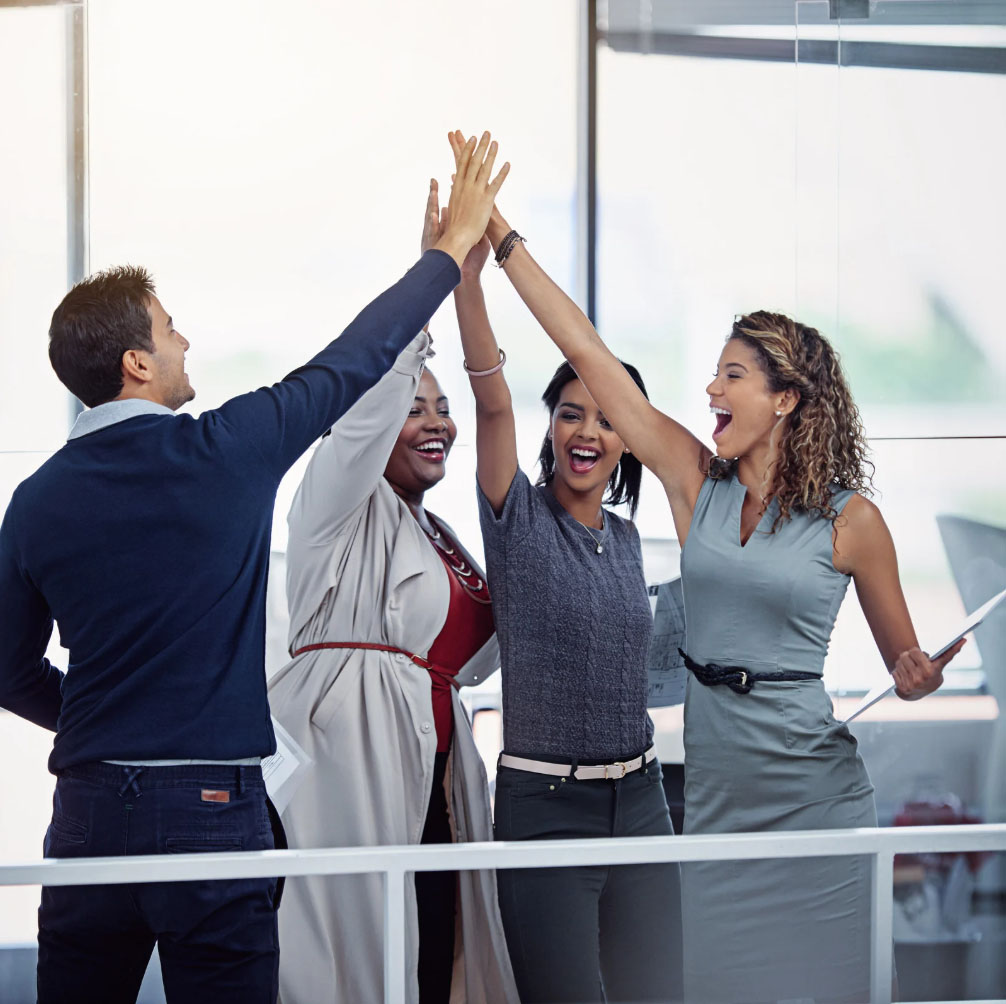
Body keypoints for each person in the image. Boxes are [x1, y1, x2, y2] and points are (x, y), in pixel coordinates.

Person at [0, 131, 508, 1004]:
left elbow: (5, 666)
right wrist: (445, 255)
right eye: (170, 331)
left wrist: (98, 727)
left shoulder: (35, 500)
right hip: (210, 810)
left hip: (88, 813)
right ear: (136, 364)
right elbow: (349, 362)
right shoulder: (225, 451)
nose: (185, 341)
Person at [473, 168, 965, 1001]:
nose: (710, 389)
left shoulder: (854, 523)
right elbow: (589, 353)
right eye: (714, 372)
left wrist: (918, 676)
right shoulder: (697, 482)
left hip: (817, 796)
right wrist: (499, 238)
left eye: (732, 375)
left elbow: (904, 666)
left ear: (784, 399)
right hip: (716, 806)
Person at [443, 134, 683, 1004]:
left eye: (604, 419)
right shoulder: (516, 517)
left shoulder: (625, 541)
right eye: (570, 414)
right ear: (551, 427)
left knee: (661, 994)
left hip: (645, 800)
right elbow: (490, 394)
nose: (587, 432)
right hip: (545, 806)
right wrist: (469, 274)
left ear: (626, 438)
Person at [267, 178, 518, 1004]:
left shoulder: (433, 531)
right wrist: (437, 274)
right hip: (358, 765)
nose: (436, 422)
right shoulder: (334, 503)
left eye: (443, 409)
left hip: (441, 773)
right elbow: (365, 412)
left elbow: (472, 653)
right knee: (364, 957)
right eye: (419, 409)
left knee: (437, 951)